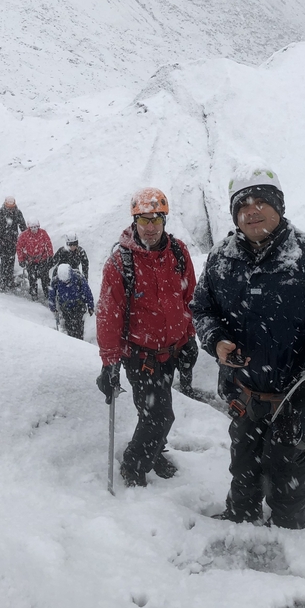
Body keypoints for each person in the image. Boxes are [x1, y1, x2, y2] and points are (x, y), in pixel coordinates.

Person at [191, 168, 305, 529]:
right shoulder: (221, 257)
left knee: (287, 468)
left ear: (279, 206)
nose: (252, 211)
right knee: (243, 461)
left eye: (261, 201)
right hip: (244, 391)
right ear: (235, 214)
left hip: (295, 396)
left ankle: (288, 530)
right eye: (243, 205)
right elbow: (202, 308)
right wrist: (216, 341)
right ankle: (241, 515)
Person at [95, 187, 196, 487]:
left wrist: (188, 338)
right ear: (134, 221)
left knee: (155, 413)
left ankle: (153, 452)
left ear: (164, 220)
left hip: (171, 352)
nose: (150, 227)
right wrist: (109, 363)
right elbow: (108, 315)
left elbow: (187, 298)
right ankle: (134, 465)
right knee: (159, 416)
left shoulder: (178, 253)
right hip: (140, 357)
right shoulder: (120, 263)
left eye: (155, 220)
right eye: (143, 221)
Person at [0, 197, 27, 290]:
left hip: (13, 240)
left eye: (12, 207)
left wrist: (26, 239)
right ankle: (3, 280)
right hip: (1, 240)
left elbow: (23, 226)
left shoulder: (17, 213)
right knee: (4, 259)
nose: (10, 209)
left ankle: (9, 280)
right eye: (8, 207)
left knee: (11, 259)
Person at [49, 263, 94, 338]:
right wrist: (52, 306)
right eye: (63, 281)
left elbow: (87, 292)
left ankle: (80, 339)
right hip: (65, 307)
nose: (65, 283)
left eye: (67, 281)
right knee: (69, 326)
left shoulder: (78, 278)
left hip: (79, 306)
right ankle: (72, 340)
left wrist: (90, 306)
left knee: (78, 325)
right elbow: (51, 294)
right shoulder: (55, 281)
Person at [16, 219, 53, 300]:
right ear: (29, 227)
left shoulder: (43, 233)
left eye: (36, 227)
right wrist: (21, 259)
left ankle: (48, 294)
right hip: (30, 261)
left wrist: (50, 255)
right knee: (32, 278)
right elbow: (19, 248)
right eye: (32, 227)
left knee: (45, 277)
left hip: (42, 259)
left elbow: (49, 244)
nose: (34, 229)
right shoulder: (23, 235)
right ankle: (34, 294)